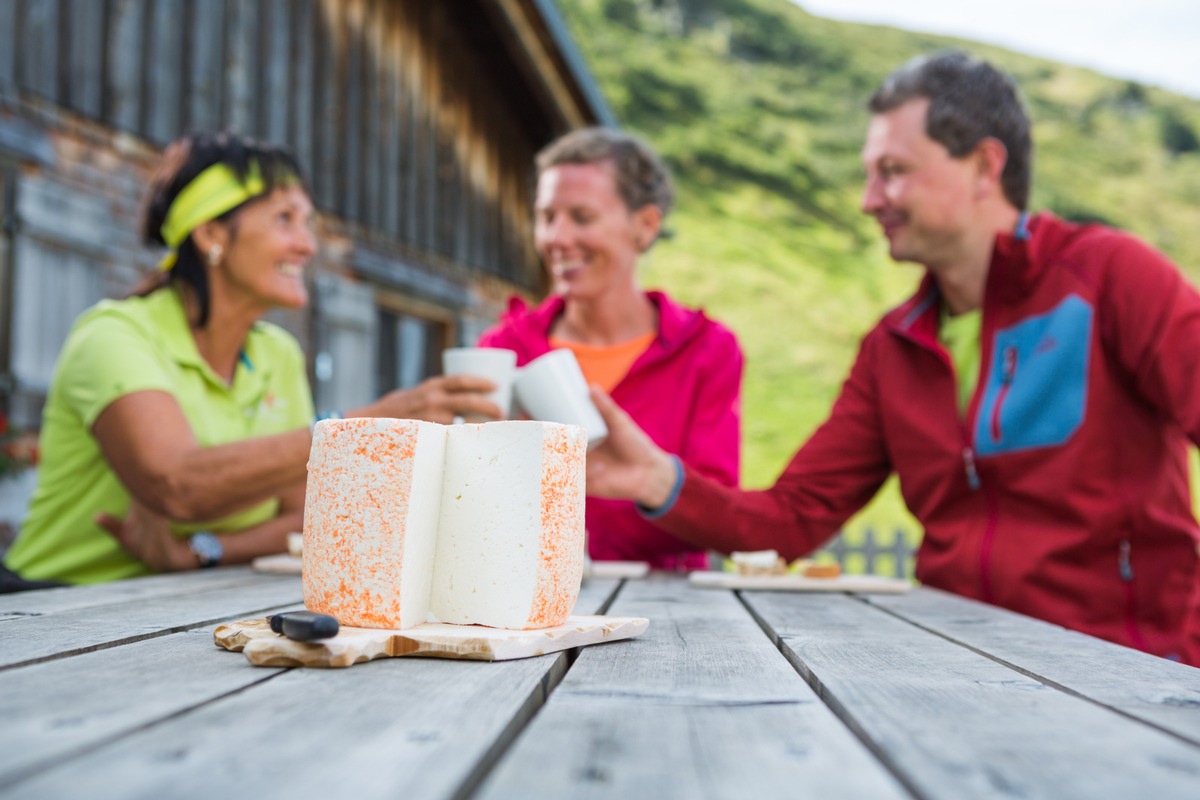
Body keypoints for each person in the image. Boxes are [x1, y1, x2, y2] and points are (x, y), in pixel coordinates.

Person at [584, 51, 1200, 665]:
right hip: (964, 667)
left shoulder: (1112, 278)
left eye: (893, 171)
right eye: (869, 174)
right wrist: (653, 479)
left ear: (985, 166)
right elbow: (792, 519)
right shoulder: (893, 346)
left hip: (1132, 673)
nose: (868, 198)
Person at [2, 132, 500, 589]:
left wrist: (202, 551)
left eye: (307, 223)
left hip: (184, 600)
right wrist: (362, 426)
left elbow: (302, 512)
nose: (306, 245)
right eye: (284, 219)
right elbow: (176, 484)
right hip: (54, 605)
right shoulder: (114, 335)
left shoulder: (276, 354)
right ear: (212, 235)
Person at [478, 127, 743, 571]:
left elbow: (717, 513)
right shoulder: (503, 348)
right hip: (526, 599)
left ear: (645, 226)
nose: (556, 238)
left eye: (581, 217)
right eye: (547, 217)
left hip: (670, 612)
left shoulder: (707, 350)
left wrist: (653, 482)